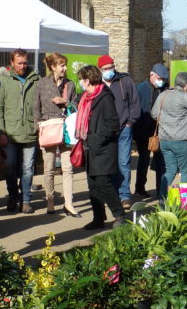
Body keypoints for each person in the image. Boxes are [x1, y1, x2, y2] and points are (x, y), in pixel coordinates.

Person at [76, 65, 125, 230]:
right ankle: (98, 218)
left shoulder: (104, 97)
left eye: (81, 80)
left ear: (87, 80)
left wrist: (96, 140)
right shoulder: (87, 97)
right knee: (93, 185)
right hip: (90, 148)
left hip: (102, 149)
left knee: (103, 183)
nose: (80, 84)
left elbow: (112, 124)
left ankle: (119, 215)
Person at [151, 71, 187, 200]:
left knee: (170, 171)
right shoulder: (184, 96)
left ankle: (162, 200)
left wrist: (167, 119)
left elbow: (154, 114)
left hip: (164, 139)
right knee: (185, 172)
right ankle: (185, 202)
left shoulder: (163, 95)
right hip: (181, 140)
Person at [35, 52, 78, 216]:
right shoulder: (41, 84)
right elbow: (35, 107)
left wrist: (65, 101)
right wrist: (38, 127)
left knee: (68, 168)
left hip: (66, 129)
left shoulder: (70, 84)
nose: (65, 68)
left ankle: (69, 203)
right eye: (62, 65)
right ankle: (50, 200)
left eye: (65, 65)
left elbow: (76, 105)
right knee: (49, 168)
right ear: (53, 67)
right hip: (49, 128)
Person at [0, 49, 39, 214]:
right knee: (10, 167)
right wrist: (0, 132)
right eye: (19, 63)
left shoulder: (35, 79)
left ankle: (26, 199)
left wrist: (38, 126)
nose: (22, 66)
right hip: (10, 133)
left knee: (28, 168)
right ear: (12, 63)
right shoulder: (3, 79)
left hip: (29, 131)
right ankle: (13, 196)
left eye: (25, 62)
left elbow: (39, 104)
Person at [98, 54, 140, 210]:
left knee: (124, 163)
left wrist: (130, 122)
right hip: (105, 131)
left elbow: (135, 102)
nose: (109, 71)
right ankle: (112, 195)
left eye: (111, 67)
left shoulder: (125, 81)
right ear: (100, 70)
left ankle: (124, 195)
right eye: (106, 69)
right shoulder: (98, 84)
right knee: (109, 164)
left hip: (124, 129)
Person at [134, 63, 169, 198]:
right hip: (143, 132)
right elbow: (136, 111)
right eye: (159, 78)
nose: (161, 81)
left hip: (161, 132)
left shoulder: (165, 89)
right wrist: (136, 133)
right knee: (143, 160)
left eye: (163, 79)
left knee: (161, 161)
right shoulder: (140, 89)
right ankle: (140, 188)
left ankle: (161, 189)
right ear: (152, 75)